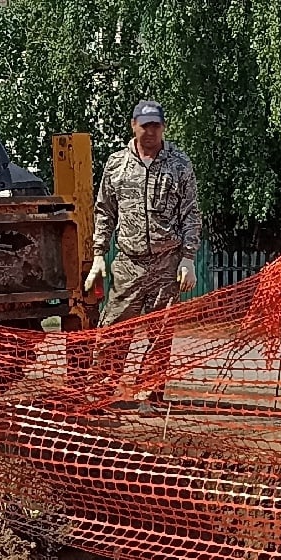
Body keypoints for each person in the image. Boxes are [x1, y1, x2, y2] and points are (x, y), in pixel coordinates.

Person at [83, 99, 200, 399]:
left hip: (167, 263)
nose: (151, 131)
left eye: (156, 125)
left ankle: (149, 393)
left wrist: (188, 258)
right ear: (133, 126)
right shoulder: (117, 164)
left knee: (160, 334)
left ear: (163, 127)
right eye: (145, 125)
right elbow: (104, 211)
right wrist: (98, 253)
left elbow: (191, 213)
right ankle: (101, 391)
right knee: (112, 332)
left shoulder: (180, 164)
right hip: (128, 264)